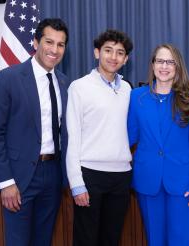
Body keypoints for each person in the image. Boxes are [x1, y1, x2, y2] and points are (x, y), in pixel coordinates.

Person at [0, 18, 70, 245]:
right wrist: (6, 182)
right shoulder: (8, 78)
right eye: (49, 42)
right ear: (35, 42)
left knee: (43, 241)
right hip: (19, 176)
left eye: (61, 44)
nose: (54, 50)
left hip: (53, 175)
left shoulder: (63, 82)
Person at [127, 44, 189, 246]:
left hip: (183, 184)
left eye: (170, 62)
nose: (165, 66)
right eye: (160, 61)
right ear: (152, 65)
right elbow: (128, 137)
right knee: (155, 240)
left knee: (183, 240)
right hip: (148, 180)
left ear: (177, 66)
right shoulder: (137, 97)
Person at [65, 29, 133, 246]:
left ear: (126, 59)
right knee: (86, 239)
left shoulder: (127, 89)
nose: (113, 57)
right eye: (108, 50)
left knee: (111, 239)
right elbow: (72, 139)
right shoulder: (79, 87)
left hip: (121, 177)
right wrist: (77, 183)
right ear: (97, 53)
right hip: (90, 175)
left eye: (120, 53)